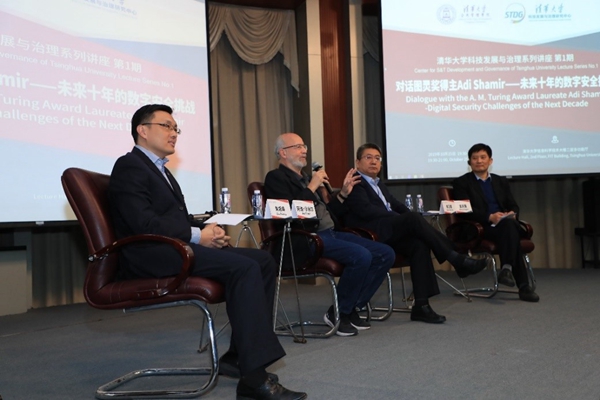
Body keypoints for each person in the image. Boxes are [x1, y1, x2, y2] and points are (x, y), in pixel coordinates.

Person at [108, 104, 306, 400]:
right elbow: (143, 223)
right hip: (149, 254)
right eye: (166, 126)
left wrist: (209, 231)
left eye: (176, 128)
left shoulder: (160, 170)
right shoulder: (129, 166)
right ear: (142, 130)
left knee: (263, 260)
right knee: (244, 268)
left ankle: (237, 357)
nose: (174, 133)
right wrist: (198, 236)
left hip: (172, 247)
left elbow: (175, 218)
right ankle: (253, 379)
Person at [263, 133, 395, 337]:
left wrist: (342, 195)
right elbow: (288, 212)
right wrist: (313, 186)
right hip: (305, 238)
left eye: (304, 146)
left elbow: (329, 215)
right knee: (361, 256)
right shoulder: (276, 178)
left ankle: (348, 307)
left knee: (385, 253)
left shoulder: (307, 179)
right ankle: (341, 313)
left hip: (331, 233)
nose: (304, 150)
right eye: (298, 147)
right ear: (283, 153)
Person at [344, 143, 489, 323]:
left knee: (419, 244)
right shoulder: (355, 182)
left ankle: (421, 305)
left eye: (377, 158)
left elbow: (396, 205)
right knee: (412, 218)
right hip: (372, 233)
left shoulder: (378, 184)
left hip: (389, 230)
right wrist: (404, 219)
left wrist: (408, 218)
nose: (374, 161)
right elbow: (366, 211)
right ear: (358, 162)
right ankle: (456, 258)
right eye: (368, 157)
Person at [452, 143, 539, 302]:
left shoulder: (500, 181)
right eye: (475, 158)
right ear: (469, 162)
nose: (479, 161)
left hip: (504, 225)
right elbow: (464, 210)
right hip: (480, 228)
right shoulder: (461, 183)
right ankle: (522, 285)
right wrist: (489, 217)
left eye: (483, 157)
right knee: (511, 234)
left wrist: (512, 214)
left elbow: (513, 205)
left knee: (509, 227)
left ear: (490, 161)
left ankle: (507, 270)